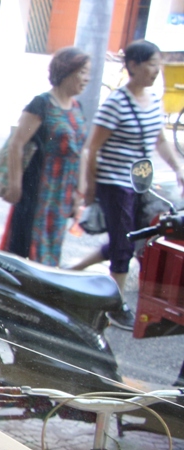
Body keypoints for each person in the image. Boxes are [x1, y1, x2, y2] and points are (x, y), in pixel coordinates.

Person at [72, 39, 184, 329]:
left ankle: (71, 273)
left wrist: (178, 167)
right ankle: (114, 306)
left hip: (140, 184)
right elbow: (92, 147)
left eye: (158, 65)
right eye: (151, 64)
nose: (156, 71)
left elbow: (159, 140)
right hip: (114, 184)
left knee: (131, 238)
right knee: (123, 245)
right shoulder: (116, 103)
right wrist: (91, 186)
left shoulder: (154, 101)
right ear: (133, 65)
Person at [0, 46, 90, 267]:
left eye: (88, 73)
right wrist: (14, 185)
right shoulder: (41, 104)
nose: (86, 79)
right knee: (23, 249)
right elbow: (16, 144)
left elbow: (81, 152)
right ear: (66, 71)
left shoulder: (78, 107)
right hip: (37, 192)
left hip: (62, 195)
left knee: (50, 250)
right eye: (82, 72)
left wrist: (80, 192)